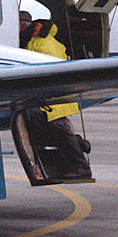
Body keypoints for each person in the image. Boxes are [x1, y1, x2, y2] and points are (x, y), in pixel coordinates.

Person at [19, 13, 92, 180]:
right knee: (33, 121)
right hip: (54, 94)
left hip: (55, 95)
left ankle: (81, 167)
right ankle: (75, 141)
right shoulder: (38, 40)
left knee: (58, 127)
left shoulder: (41, 44)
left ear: (23, 27)